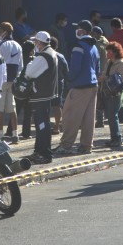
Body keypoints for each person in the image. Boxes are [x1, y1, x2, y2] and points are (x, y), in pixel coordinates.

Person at [56, 20, 100, 155]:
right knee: (89, 118)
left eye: (79, 29)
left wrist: (68, 78)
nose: (77, 31)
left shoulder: (78, 46)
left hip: (80, 86)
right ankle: (86, 146)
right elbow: (98, 68)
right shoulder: (94, 46)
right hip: (93, 84)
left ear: (83, 31)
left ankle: (66, 145)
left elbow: (75, 68)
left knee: (70, 115)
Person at [23, 31, 59, 164]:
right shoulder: (52, 52)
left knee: (42, 125)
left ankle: (44, 153)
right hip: (47, 94)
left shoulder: (43, 56)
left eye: (35, 42)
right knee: (43, 124)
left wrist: (32, 59)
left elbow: (29, 72)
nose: (34, 44)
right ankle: (39, 151)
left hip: (40, 95)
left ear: (39, 42)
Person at [0, 22, 23, 143]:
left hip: (1, 79)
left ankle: (0, 134)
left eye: (0, 30)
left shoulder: (0, 44)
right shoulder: (18, 45)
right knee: (12, 107)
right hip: (13, 79)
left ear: (5, 32)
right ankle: (15, 134)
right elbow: (21, 66)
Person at [100, 42, 123, 147]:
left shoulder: (121, 63)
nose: (107, 53)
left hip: (115, 93)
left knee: (113, 116)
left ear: (115, 52)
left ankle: (117, 139)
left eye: (109, 51)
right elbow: (104, 74)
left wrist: (106, 78)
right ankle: (114, 138)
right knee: (110, 116)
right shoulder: (109, 62)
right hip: (106, 92)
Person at [48, 36, 69, 135]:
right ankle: (56, 127)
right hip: (59, 83)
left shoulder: (44, 55)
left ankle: (45, 126)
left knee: (45, 105)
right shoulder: (61, 56)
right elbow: (66, 71)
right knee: (57, 104)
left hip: (46, 83)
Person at [91, 26, 109, 128]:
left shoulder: (97, 45)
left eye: (93, 33)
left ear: (97, 34)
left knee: (98, 97)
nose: (91, 35)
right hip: (106, 73)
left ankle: (100, 120)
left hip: (99, 74)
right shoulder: (106, 42)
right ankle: (104, 118)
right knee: (104, 96)